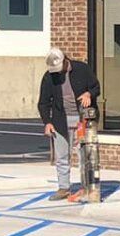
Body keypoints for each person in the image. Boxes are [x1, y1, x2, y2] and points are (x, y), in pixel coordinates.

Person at [37, 47, 100, 202]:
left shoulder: (82, 69)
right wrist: (47, 122)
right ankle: (64, 188)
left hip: (81, 120)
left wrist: (88, 94)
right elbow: (43, 103)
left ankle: (87, 187)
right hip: (60, 121)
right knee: (62, 156)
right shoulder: (49, 77)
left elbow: (96, 87)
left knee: (84, 155)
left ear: (66, 61)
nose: (58, 73)